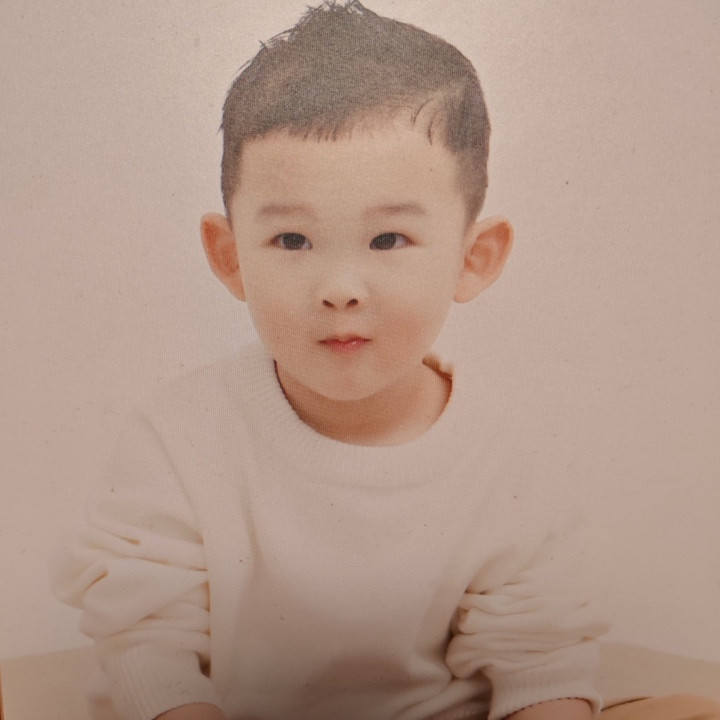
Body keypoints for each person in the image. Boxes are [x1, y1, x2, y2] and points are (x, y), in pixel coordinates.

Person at [50, 3, 720, 720]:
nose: (340, 290)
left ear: (473, 258)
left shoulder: (507, 455)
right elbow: (151, 658)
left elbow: (539, 664)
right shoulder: (178, 437)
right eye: (292, 241)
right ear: (230, 255)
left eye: (388, 240)